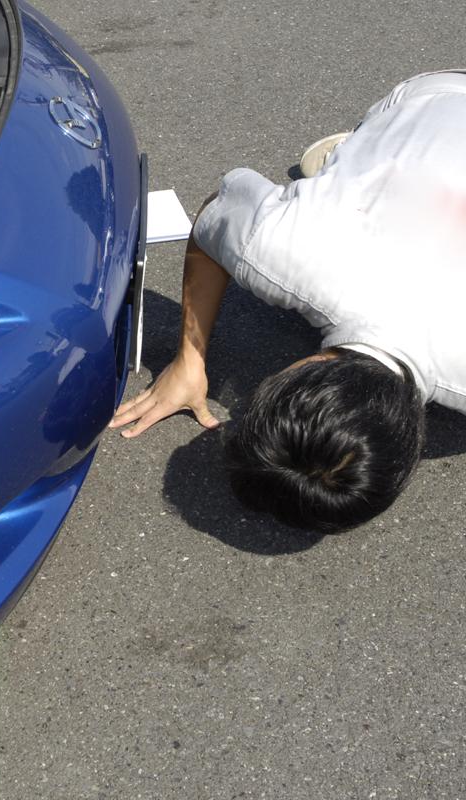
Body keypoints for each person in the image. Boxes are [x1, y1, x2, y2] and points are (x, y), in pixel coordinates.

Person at [109, 71, 466, 533]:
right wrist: (188, 360)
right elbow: (214, 212)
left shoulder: (283, 249)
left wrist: (190, 359)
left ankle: (355, 165)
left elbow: (215, 213)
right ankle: (350, 164)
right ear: (291, 371)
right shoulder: (279, 252)